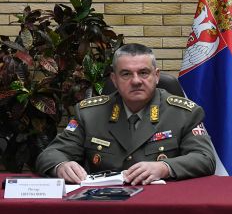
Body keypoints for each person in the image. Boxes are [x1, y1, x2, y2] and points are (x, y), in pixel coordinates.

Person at [36, 43, 216, 185]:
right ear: (114, 79)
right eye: (126, 74)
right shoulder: (90, 114)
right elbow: (51, 154)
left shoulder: (183, 113)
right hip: (104, 204)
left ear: (156, 76)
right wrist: (62, 166)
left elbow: (204, 158)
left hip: (161, 203)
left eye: (143, 73)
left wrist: (164, 167)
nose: (136, 81)